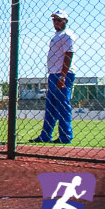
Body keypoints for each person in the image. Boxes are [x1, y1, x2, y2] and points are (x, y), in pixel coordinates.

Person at [29, 10, 77, 144]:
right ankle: (45, 135)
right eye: (54, 20)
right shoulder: (58, 35)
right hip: (54, 73)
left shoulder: (67, 35)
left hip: (63, 74)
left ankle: (65, 136)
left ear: (65, 21)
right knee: (51, 106)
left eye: (59, 20)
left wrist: (63, 76)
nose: (56, 22)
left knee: (63, 105)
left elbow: (69, 55)